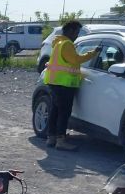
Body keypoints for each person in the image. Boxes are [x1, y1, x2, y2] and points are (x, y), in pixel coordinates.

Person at [43, 21, 101, 150]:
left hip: (55, 82)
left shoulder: (58, 43)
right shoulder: (67, 44)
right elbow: (76, 60)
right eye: (76, 32)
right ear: (70, 31)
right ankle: (60, 140)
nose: (77, 35)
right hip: (64, 84)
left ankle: (51, 137)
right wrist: (93, 53)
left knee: (55, 110)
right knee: (64, 112)